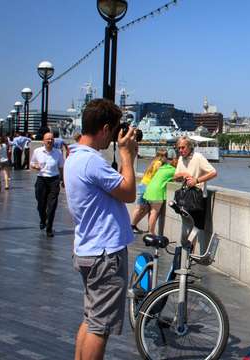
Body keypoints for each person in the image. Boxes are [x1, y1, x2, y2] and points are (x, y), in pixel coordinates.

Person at [64, 98, 137, 360]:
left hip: (87, 248)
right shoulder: (92, 162)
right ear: (105, 128)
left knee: (91, 319)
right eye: (115, 129)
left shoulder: (74, 158)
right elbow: (128, 192)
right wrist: (127, 155)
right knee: (99, 327)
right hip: (105, 254)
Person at [173, 136, 217, 234]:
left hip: (197, 197)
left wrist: (196, 180)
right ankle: (186, 247)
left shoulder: (198, 157)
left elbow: (213, 172)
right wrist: (183, 174)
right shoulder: (181, 159)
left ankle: (189, 248)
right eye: (179, 148)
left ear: (189, 147)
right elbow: (175, 177)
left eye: (183, 147)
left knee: (195, 228)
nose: (180, 150)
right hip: (184, 197)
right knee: (186, 226)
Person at [30, 132, 65, 237]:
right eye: (48, 139)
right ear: (43, 141)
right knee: (41, 204)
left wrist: (63, 179)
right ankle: (42, 218)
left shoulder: (58, 153)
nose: (50, 141)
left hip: (54, 180)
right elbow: (32, 163)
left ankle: (49, 228)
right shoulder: (37, 151)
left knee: (52, 205)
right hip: (41, 179)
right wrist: (36, 167)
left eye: (51, 139)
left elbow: (61, 167)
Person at [130, 148, 167, 233]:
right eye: (166, 156)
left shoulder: (153, 162)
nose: (167, 158)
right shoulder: (159, 163)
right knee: (140, 208)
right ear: (163, 156)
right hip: (147, 186)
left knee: (145, 208)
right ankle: (132, 226)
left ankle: (134, 226)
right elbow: (159, 175)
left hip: (143, 184)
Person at [143, 158, 177, 235]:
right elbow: (180, 175)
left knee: (151, 212)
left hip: (149, 190)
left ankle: (149, 231)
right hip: (157, 192)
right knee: (154, 213)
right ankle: (151, 232)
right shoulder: (173, 170)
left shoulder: (163, 168)